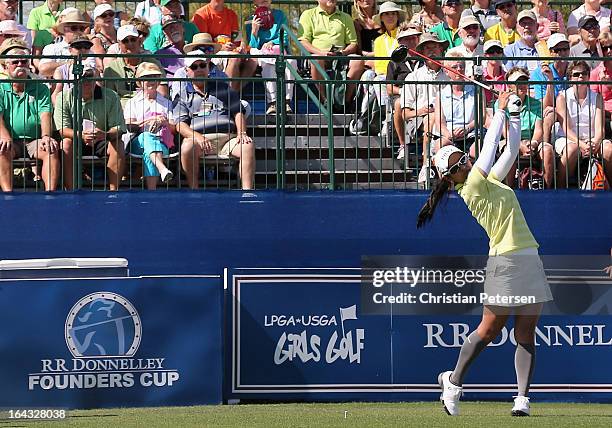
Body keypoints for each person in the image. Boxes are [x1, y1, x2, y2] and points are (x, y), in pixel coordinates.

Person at [417, 91, 553, 418]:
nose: (463, 162)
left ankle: (522, 399)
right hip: (504, 260)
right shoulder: (472, 187)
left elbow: (509, 150)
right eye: (456, 164)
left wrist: (515, 115)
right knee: (489, 330)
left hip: (528, 255)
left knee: (526, 332)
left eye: (462, 157)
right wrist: (498, 108)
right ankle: (454, 382)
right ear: (450, 178)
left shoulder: (488, 180)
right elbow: (490, 147)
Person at [174, 51, 255, 190]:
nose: (199, 69)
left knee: (247, 145)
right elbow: (180, 125)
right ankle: (195, 191)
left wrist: (242, 132)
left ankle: (247, 192)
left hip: (228, 139)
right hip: (199, 141)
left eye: (202, 65)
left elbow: (238, 112)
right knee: (186, 147)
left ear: (208, 68)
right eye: (194, 67)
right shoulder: (182, 95)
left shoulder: (223, 87)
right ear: (187, 71)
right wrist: (198, 137)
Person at [55, 66, 126, 190]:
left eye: (89, 78)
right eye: (82, 79)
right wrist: (81, 135)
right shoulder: (63, 97)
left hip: (102, 139)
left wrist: (105, 134)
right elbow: (62, 130)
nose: (86, 82)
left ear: (96, 79)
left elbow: (119, 127)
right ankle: (71, 191)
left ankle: (114, 190)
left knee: (118, 144)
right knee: (65, 144)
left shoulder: (111, 96)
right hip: (76, 140)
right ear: (74, 81)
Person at [0, 48, 60, 191]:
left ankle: (50, 194)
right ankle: (8, 195)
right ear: (5, 66)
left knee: (50, 149)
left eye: (24, 61)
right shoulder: (1, 88)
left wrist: (46, 136)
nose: (20, 64)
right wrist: (4, 136)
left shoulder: (41, 88)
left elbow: (45, 114)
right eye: (15, 62)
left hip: (34, 140)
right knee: (1, 149)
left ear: (29, 64)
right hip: (11, 141)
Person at [400, 32, 449, 182]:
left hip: (446, 119)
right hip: (417, 122)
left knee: (436, 117)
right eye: (428, 48)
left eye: (435, 47)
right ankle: (427, 163)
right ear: (421, 53)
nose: (432, 51)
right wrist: (422, 111)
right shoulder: (413, 77)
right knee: (431, 117)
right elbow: (405, 114)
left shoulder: (448, 76)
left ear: (441, 50)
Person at [555, 60, 612, 187]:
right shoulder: (562, 98)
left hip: (592, 139)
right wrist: (581, 145)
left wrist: (595, 144)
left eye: (584, 73)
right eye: (576, 74)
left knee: (608, 149)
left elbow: (600, 129)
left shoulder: (597, 97)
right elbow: (566, 130)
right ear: (570, 78)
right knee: (571, 149)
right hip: (567, 139)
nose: (580, 77)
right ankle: (560, 189)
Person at [497, 67, 554, 188]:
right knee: (510, 149)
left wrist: (532, 143)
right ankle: (509, 190)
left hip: (531, 141)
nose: (522, 85)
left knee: (547, 150)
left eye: (524, 81)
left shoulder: (536, 104)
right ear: (510, 85)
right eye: (518, 82)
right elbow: (506, 132)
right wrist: (518, 144)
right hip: (510, 140)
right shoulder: (501, 103)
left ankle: (547, 190)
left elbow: (539, 130)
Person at [298, 0, 363, 105]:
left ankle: (345, 102)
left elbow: (353, 43)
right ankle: (325, 101)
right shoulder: (308, 14)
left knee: (358, 61)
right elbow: (303, 41)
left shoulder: (346, 17)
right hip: (318, 56)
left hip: (341, 57)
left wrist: (343, 52)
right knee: (316, 59)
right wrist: (320, 53)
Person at [124, 62, 175, 189]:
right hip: (137, 142)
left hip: (162, 142)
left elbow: (174, 128)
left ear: (158, 81)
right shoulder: (133, 102)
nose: (151, 81)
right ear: (140, 82)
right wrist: (147, 121)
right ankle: (162, 169)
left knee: (150, 152)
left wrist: (164, 122)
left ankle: (152, 191)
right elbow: (128, 125)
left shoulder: (167, 103)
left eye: (154, 77)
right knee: (147, 137)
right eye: (147, 78)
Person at [191, 0, 258, 92]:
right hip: (211, 53)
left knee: (253, 61)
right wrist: (220, 47)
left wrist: (241, 46)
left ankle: (233, 93)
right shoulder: (201, 14)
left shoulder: (231, 14)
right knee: (234, 59)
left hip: (231, 52)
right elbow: (202, 44)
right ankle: (228, 97)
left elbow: (237, 39)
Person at [245, 0, 297, 114]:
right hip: (261, 54)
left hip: (278, 51)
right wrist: (254, 31)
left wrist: (273, 42)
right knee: (267, 63)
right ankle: (272, 103)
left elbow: (285, 36)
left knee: (291, 62)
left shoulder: (279, 15)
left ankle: (287, 102)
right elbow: (252, 46)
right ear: (254, 2)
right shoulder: (250, 19)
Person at [433, 49, 486, 154]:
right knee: (440, 146)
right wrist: (448, 134)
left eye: (462, 66)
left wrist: (467, 128)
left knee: (477, 150)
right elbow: (440, 122)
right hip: (450, 134)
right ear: (446, 71)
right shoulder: (441, 94)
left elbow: (482, 117)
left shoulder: (477, 90)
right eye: (454, 67)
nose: (459, 69)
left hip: (472, 132)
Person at [104, 25, 166, 106]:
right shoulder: (111, 69)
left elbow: (163, 92)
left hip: (151, 108)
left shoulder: (153, 63)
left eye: (133, 39)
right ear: (119, 44)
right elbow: (109, 99)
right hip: (121, 112)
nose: (130, 43)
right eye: (125, 41)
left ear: (139, 41)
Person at [386, 23, 422, 155]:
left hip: (423, 94)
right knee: (399, 103)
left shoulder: (425, 59)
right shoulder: (394, 62)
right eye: (407, 39)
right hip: (403, 96)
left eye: (414, 38)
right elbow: (389, 88)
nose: (411, 41)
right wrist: (403, 91)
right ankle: (402, 144)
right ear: (400, 42)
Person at [38, 9, 89, 78]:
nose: (79, 31)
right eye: (74, 28)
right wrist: (69, 63)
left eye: (82, 28)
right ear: (65, 29)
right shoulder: (52, 48)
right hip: (58, 87)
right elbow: (43, 70)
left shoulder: (88, 48)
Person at [51, 36, 96, 105]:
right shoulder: (60, 70)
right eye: (78, 47)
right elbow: (56, 94)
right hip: (69, 106)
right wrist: (60, 111)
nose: (83, 50)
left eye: (87, 47)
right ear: (70, 50)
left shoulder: (95, 70)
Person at [591, 31, 612, 142]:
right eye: (605, 48)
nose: (609, 51)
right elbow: (592, 98)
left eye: (611, 47)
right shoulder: (596, 73)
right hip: (603, 114)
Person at [90, 3, 118, 70]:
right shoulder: (96, 40)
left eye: (111, 14)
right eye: (104, 15)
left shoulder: (122, 34)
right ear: (96, 20)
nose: (108, 17)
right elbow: (101, 65)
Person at [481, 39, 507, 104]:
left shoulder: (507, 76)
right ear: (485, 55)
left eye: (498, 51)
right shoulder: (479, 76)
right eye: (491, 51)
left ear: (502, 54)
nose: (495, 54)